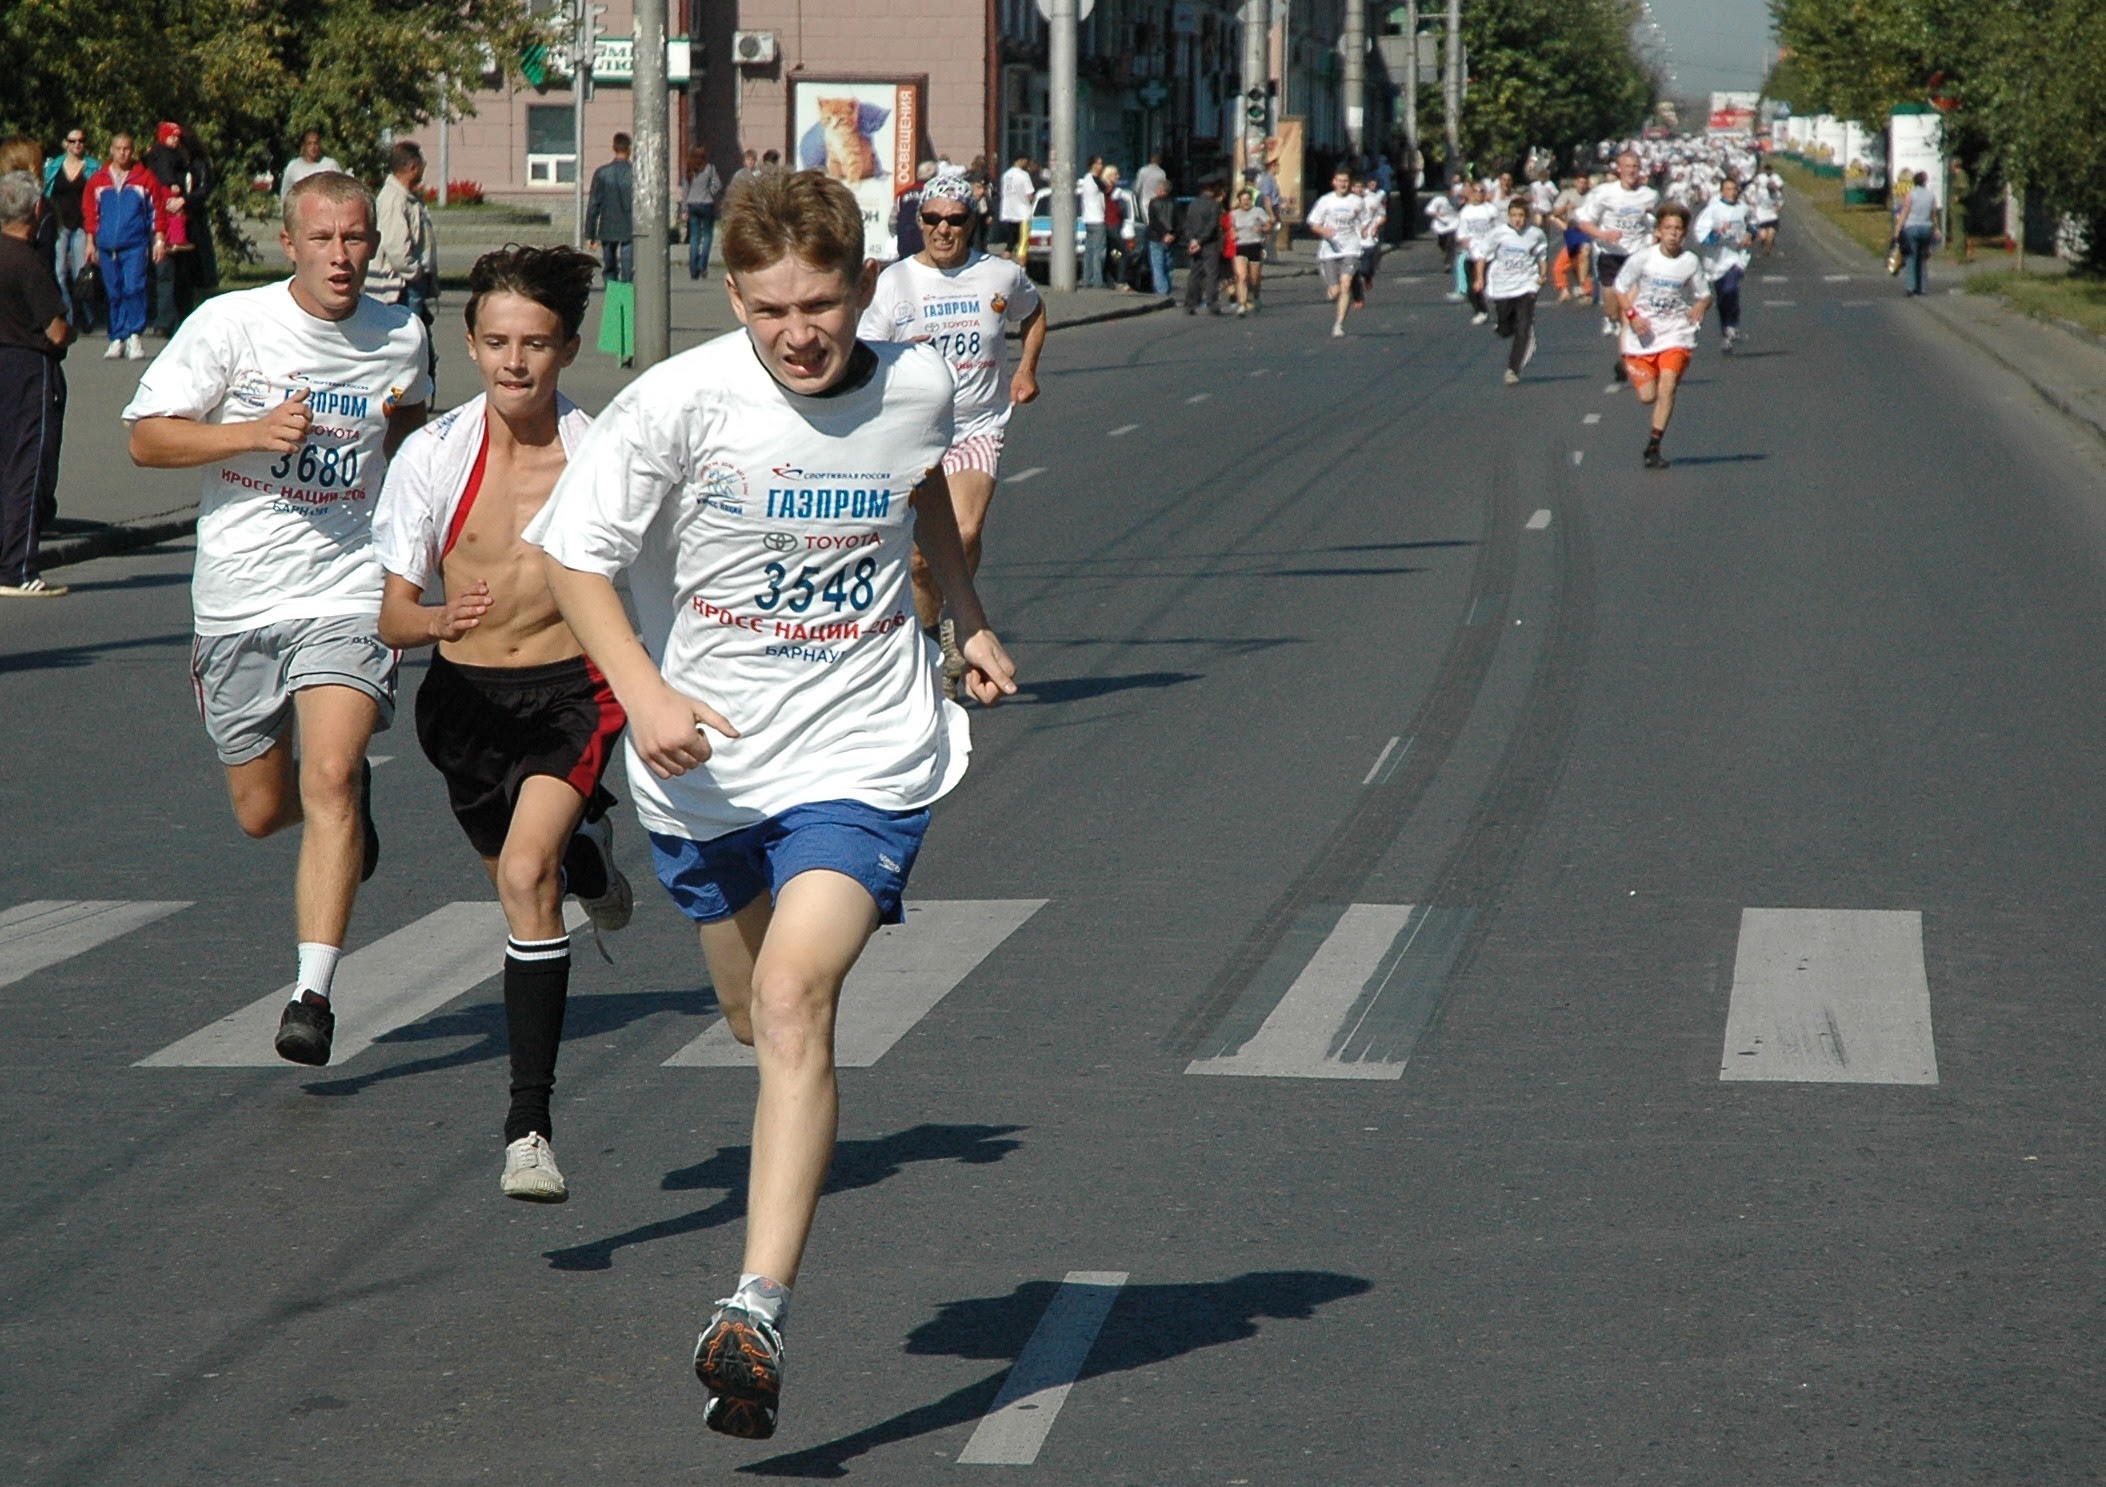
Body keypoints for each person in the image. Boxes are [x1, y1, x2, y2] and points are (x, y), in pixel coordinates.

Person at [527, 165, 1018, 1442]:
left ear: (863, 283)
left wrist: (963, 616)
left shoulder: (916, 382)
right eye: (768, 310)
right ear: (734, 299)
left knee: (798, 998)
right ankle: (771, 1203)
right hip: (709, 767)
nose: (798, 334)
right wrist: (644, 691)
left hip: (865, 751)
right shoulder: (679, 402)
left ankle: (756, 1308)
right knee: (753, 1016)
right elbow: (574, 556)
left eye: (819, 304)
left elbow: (919, 483)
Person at [123, 171, 431, 1065]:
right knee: (264, 811)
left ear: (374, 244)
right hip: (239, 596)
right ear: (289, 243)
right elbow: (146, 437)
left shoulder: (400, 334)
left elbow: (411, 430)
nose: (341, 256)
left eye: (356, 238)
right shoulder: (231, 323)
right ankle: (347, 812)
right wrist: (250, 433)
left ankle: (311, 995)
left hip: (348, 587)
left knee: (329, 775)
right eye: (322, 239)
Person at [371, 245, 630, 1202]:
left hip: (572, 692)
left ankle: (529, 1127)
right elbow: (393, 616)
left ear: (567, 349)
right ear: (473, 346)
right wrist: (437, 620)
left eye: (535, 343)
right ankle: (589, 856)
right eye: (496, 342)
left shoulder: (603, 455)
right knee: (533, 886)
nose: (515, 362)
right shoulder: (434, 456)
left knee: (525, 876)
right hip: (466, 705)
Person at [859, 172, 1045, 696]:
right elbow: (867, 353)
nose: (943, 229)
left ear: (971, 223)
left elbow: (1034, 313)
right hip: (915, 431)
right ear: (919, 222)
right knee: (920, 561)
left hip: (976, 425)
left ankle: (958, 621)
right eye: (933, 219)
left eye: (955, 220)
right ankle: (933, 646)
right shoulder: (894, 283)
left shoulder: (1001, 276)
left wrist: (1026, 369)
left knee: (963, 533)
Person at [0, 171, 73, 598]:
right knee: (27, 464)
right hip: (28, 366)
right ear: (37, 209)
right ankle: (18, 568)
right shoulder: (28, 262)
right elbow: (56, 330)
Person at [1613, 201, 1710, 470]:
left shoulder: (1690, 262)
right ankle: (1627, 362)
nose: (1673, 234)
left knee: (1668, 387)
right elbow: (1620, 288)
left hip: (1675, 333)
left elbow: (1704, 294)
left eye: (1678, 229)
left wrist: (1701, 305)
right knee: (1647, 396)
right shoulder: (1643, 258)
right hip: (1643, 335)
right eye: (1668, 228)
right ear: (1658, 231)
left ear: (1684, 233)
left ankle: (1653, 447)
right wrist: (1632, 316)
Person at [82, 132, 166, 361]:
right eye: (118, 148)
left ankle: (134, 335)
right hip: (106, 245)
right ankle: (116, 337)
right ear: (111, 150)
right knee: (114, 291)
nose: (122, 153)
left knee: (134, 288)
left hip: (135, 244)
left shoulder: (145, 178)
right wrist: (90, 242)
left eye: (127, 148)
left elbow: (157, 211)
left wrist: (159, 240)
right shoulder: (98, 180)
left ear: (133, 150)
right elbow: (91, 213)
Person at [1578, 148, 1659, 367]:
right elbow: (1584, 222)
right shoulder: (1604, 193)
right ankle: (1611, 319)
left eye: (1635, 167)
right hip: (1611, 255)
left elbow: (1654, 223)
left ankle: (1627, 358)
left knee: (1629, 309)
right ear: (1619, 169)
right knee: (1613, 310)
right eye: (1628, 167)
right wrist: (1603, 235)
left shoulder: (1649, 195)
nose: (1632, 171)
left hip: (1636, 255)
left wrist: (1654, 240)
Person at [369, 140, 439, 364]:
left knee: (420, 345)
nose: (424, 169)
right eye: (422, 164)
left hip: (410, 283)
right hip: (399, 287)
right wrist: (415, 272)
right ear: (412, 167)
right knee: (406, 345)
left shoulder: (409, 198)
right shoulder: (393, 199)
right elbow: (396, 246)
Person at [1476, 193, 1547, 384]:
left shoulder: (1535, 234)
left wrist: (1543, 274)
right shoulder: (1498, 233)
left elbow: (1541, 255)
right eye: (1514, 215)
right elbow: (1482, 254)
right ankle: (1506, 326)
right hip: (1502, 286)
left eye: (1521, 215)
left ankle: (1512, 370)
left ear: (1527, 216)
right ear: (1509, 216)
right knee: (1505, 328)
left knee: (1523, 326)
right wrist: (1479, 278)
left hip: (1526, 284)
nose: (1517, 220)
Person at [43, 129, 97, 329]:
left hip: (82, 225)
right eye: (72, 141)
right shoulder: (53, 167)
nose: (77, 144)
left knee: (80, 275)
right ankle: (69, 317)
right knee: (58, 273)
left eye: (81, 140)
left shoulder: (93, 167)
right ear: (65, 143)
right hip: (59, 225)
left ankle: (88, 315)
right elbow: (45, 194)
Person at [1692, 174, 1752, 350]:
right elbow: (1700, 236)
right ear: (1721, 192)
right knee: (1722, 296)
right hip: (1716, 261)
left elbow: (1752, 224)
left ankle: (1733, 324)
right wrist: (1717, 233)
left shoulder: (1743, 208)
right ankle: (1726, 329)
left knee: (1730, 288)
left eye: (1734, 189)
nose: (1732, 193)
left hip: (1737, 256)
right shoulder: (1713, 210)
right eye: (1728, 189)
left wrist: (1750, 235)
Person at [1306, 167, 1364, 338]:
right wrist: (1323, 231)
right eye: (1340, 181)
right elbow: (1313, 224)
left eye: (1345, 181)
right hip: (1330, 251)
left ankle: (1339, 324)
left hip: (1351, 248)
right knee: (1335, 291)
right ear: (1334, 182)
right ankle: (1336, 290)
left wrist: (1368, 230)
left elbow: (1365, 221)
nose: (1343, 184)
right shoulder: (1325, 201)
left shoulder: (1357, 202)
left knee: (1345, 284)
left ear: (1349, 183)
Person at [585, 133, 636, 284]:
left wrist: (590, 234)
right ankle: (625, 296)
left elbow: (593, 204)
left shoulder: (602, 173)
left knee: (609, 267)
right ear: (629, 149)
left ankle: (612, 294)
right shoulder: (636, 173)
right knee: (628, 269)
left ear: (613, 148)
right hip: (629, 227)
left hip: (607, 226)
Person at [1454, 181, 1499, 324]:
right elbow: (1462, 234)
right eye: (1476, 191)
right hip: (1472, 254)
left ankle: (1500, 312)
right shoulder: (1465, 212)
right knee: (1472, 287)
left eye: (1482, 191)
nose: (1479, 194)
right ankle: (1480, 310)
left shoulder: (1491, 210)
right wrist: (1466, 245)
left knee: (1488, 285)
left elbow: (1499, 230)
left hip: (1490, 254)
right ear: (1471, 193)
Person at [1181, 180, 1226, 315]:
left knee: (1194, 274)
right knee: (1211, 274)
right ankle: (1212, 303)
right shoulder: (1214, 205)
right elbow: (1212, 226)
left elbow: (1187, 224)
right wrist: (1200, 241)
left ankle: (1190, 303)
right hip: (1209, 244)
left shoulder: (1193, 204)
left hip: (1195, 243)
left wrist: (1192, 240)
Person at [1549, 173, 1592, 303]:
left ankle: (1587, 291)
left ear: (1588, 184)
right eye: (1580, 182)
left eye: (1584, 183)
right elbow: (1555, 213)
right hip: (1573, 233)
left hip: (1587, 233)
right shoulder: (1568, 194)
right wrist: (1566, 208)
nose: (1582, 185)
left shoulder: (1592, 196)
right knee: (1560, 266)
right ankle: (1565, 290)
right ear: (1575, 183)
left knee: (1582, 260)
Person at [1228, 187, 1271, 315]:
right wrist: (1232, 233)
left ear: (1251, 200)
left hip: (1255, 245)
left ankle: (1255, 297)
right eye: (1243, 200)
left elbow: (1269, 226)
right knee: (1241, 276)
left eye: (1248, 199)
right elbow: (1230, 228)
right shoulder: (1234, 214)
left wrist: (1261, 229)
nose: (1246, 202)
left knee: (1254, 279)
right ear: (1239, 201)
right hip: (1240, 246)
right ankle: (1241, 304)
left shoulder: (1257, 211)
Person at [684, 144, 723, 281]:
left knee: (694, 237)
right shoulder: (709, 168)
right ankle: (702, 264)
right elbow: (718, 185)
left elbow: (685, 190)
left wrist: (684, 209)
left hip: (692, 204)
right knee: (707, 235)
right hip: (706, 204)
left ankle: (693, 269)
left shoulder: (689, 169)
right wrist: (709, 193)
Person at [1897, 170, 1938, 297]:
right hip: (1926, 228)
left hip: (1912, 228)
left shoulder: (1910, 194)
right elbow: (1933, 214)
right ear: (1925, 182)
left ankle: (1911, 287)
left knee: (1911, 258)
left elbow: (1905, 212)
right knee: (1922, 258)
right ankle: (1922, 287)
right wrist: (1936, 229)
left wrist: (1897, 230)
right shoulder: (1931, 195)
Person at [891, 160, 936, 262]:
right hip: (927, 248)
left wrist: (899, 235)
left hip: (905, 245)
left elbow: (892, 222)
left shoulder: (902, 194)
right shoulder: (934, 195)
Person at [1425, 184, 1462, 300]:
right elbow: (1429, 210)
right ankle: (1444, 251)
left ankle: (1448, 263)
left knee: (1451, 243)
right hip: (1441, 224)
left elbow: (1461, 207)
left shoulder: (1456, 199)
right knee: (1443, 243)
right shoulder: (1438, 200)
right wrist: (1437, 214)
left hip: (1453, 223)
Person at [280, 130, 342, 198]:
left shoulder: (330, 165)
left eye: (316, 143)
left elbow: (341, 189)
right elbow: (285, 193)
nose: (313, 147)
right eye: (309, 144)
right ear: (304, 146)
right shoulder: (293, 167)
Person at [1144, 179, 1177, 296]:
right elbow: (1178, 221)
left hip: (1156, 237)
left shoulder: (1153, 203)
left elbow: (1153, 222)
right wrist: (1173, 234)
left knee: (1157, 266)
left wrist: (1163, 234)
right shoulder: (1174, 202)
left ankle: (1162, 291)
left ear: (1161, 190)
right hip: (1171, 239)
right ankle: (1167, 287)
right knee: (1168, 265)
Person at [1078, 156, 1106, 289]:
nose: (1101, 166)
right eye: (1099, 163)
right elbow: (1105, 188)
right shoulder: (1094, 180)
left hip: (1088, 219)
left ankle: (1086, 279)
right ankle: (1097, 281)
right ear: (1093, 165)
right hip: (1097, 219)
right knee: (1098, 253)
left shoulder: (1086, 179)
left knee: (1089, 251)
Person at [999, 157, 1035, 258]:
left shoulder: (1006, 175)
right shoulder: (1023, 175)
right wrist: (1033, 200)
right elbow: (1029, 194)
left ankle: (1005, 259)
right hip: (1023, 213)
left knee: (1011, 241)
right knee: (1023, 241)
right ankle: (1021, 263)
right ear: (1022, 160)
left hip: (1009, 211)